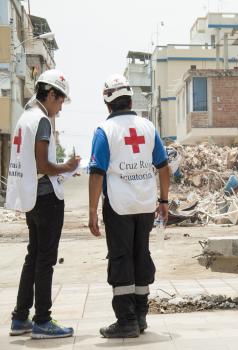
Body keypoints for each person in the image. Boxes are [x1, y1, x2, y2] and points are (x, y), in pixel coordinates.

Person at [88, 74, 170, 338]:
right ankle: (141, 317)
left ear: (107, 103)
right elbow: (163, 166)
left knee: (121, 260)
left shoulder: (105, 131)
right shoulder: (148, 127)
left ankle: (126, 320)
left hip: (119, 207)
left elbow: (97, 173)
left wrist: (91, 211)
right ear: (131, 99)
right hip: (146, 205)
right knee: (141, 256)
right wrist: (164, 201)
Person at [6, 70, 79, 339]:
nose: (59, 109)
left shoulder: (24, 118)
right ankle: (42, 320)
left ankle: (20, 317)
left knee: (33, 256)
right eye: (60, 102)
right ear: (51, 95)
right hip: (47, 198)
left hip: (30, 196)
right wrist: (68, 166)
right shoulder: (43, 121)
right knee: (45, 260)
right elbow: (43, 165)